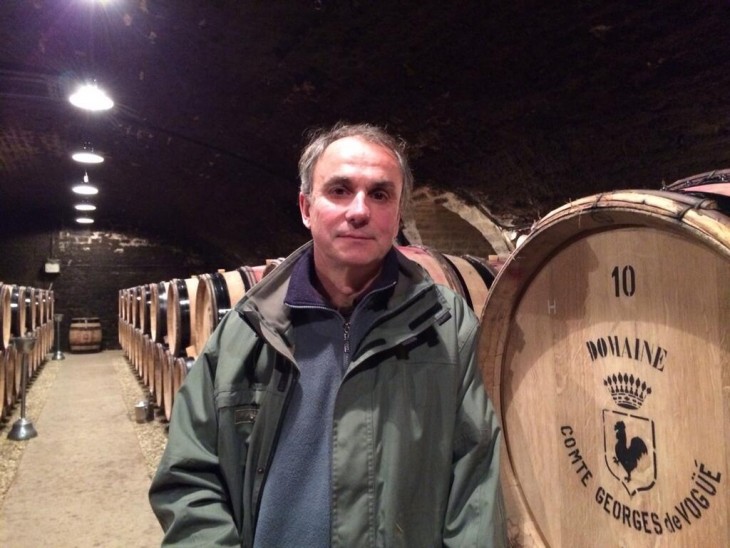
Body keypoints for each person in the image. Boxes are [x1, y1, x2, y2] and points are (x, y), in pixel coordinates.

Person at [149, 122, 507, 547]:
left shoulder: (448, 326)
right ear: (306, 207)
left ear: (397, 215)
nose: (359, 210)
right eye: (339, 190)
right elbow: (189, 477)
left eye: (380, 194)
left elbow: (476, 486)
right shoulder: (247, 329)